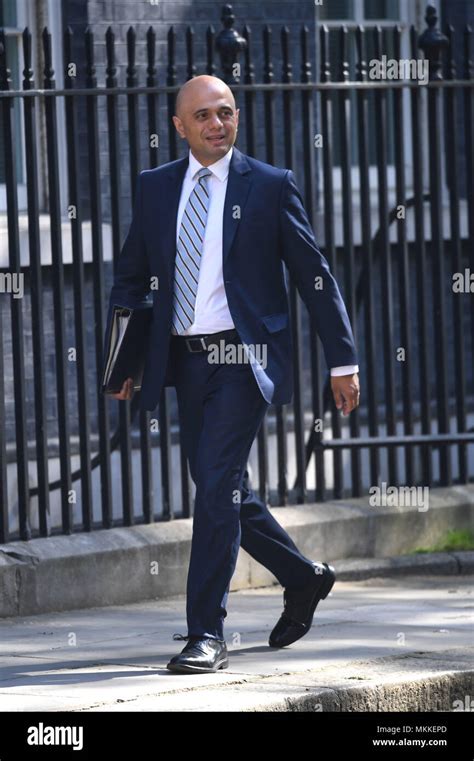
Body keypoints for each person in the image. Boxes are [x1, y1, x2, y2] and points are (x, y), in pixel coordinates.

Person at [103, 75, 360, 674]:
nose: (217, 125)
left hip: (244, 359)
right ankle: (304, 577)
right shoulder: (156, 187)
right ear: (179, 126)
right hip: (184, 362)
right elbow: (131, 276)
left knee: (214, 488)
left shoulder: (269, 186)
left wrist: (342, 360)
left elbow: (314, 276)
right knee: (224, 488)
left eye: (226, 113)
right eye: (203, 116)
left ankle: (207, 634)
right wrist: (125, 363)